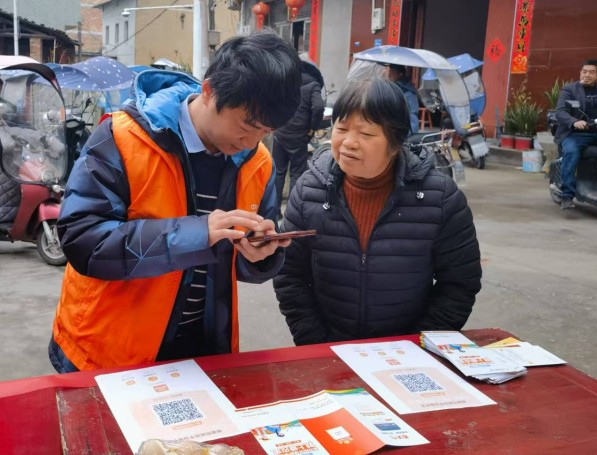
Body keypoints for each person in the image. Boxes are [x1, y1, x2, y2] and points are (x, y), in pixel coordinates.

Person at [48, 32, 302, 372]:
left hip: (203, 349)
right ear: (209, 92)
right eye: (248, 124)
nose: (251, 141)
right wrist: (198, 233)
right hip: (111, 351)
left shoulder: (258, 163)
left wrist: (260, 255)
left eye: (265, 131)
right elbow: (83, 241)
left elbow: (238, 265)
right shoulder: (123, 138)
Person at [273, 78, 481, 345]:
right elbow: (289, 275)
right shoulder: (308, 191)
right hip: (328, 348)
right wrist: (315, 342)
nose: (348, 142)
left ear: (395, 142)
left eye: (366, 134)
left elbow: (460, 283)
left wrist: (419, 345)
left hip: (410, 352)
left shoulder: (439, 198)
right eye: (342, 128)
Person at [272, 59, 325, 219]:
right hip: (298, 135)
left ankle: (274, 212)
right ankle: (290, 211)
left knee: (278, 172)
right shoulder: (313, 85)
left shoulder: (287, 83)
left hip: (280, 132)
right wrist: (312, 127)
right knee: (296, 172)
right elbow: (319, 107)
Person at [554, 59, 597, 209]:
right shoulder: (569, 90)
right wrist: (574, 121)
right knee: (572, 152)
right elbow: (560, 112)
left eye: (591, 72)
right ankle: (567, 195)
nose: (587, 75)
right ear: (580, 72)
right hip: (574, 133)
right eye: (584, 71)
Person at [388, 64, 420, 134]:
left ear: (400, 74)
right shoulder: (407, 86)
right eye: (389, 73)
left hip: (407, 126)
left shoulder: (401, 89)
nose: (389, 75)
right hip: (408, 125)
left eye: (392, 73)